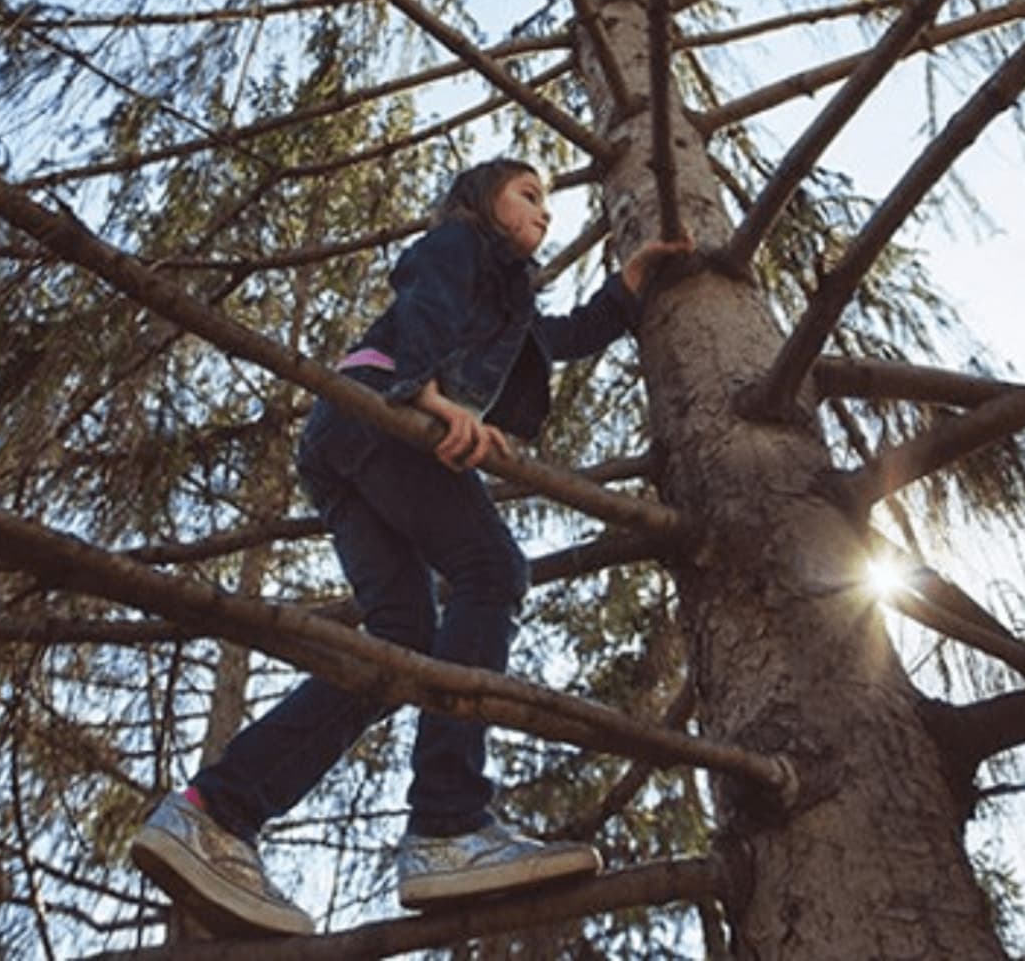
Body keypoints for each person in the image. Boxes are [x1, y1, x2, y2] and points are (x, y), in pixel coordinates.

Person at [128, 158, 694, 936]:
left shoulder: (509, 299)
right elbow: (425, 291)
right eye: (528, 194)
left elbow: (561, 338)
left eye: (549, 203)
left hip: (343, 443)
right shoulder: (459, 245)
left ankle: (213, 813)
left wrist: (630, 281)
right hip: (381, 414)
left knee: (398, 643)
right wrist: (424, 394)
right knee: (490, 568)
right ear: (480, 202)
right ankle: (449, 824)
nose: (544, 212)